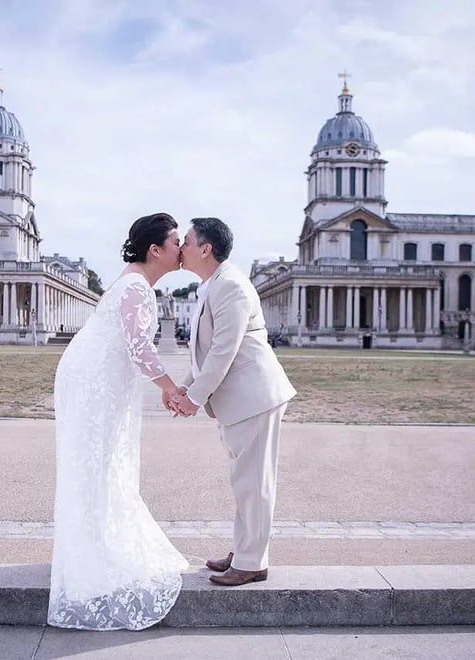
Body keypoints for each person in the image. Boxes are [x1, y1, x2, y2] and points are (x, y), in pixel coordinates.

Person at [48, 213, 188, 630]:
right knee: (99, 461)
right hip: (96, 381)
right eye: (176, 241)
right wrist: (171, 388)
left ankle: (90, 543)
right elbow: (141, 348)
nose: (181, 249)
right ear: (155, 250)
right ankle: (94, 552)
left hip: (95, 376)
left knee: (99, 462)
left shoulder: (132, 283)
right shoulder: (135, 288)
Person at [169, 217, 296, 587]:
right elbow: (208, 352)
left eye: (187, 241)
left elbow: (225, 350)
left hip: (254, 396)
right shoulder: (213, 285)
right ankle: (245, 551)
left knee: (254, 482)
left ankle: (253, 561)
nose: (181, 248)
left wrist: (192, 398)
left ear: (205, 249)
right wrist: (184, 387)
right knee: (245, 480)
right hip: (242, 398)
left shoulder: (232, 287)